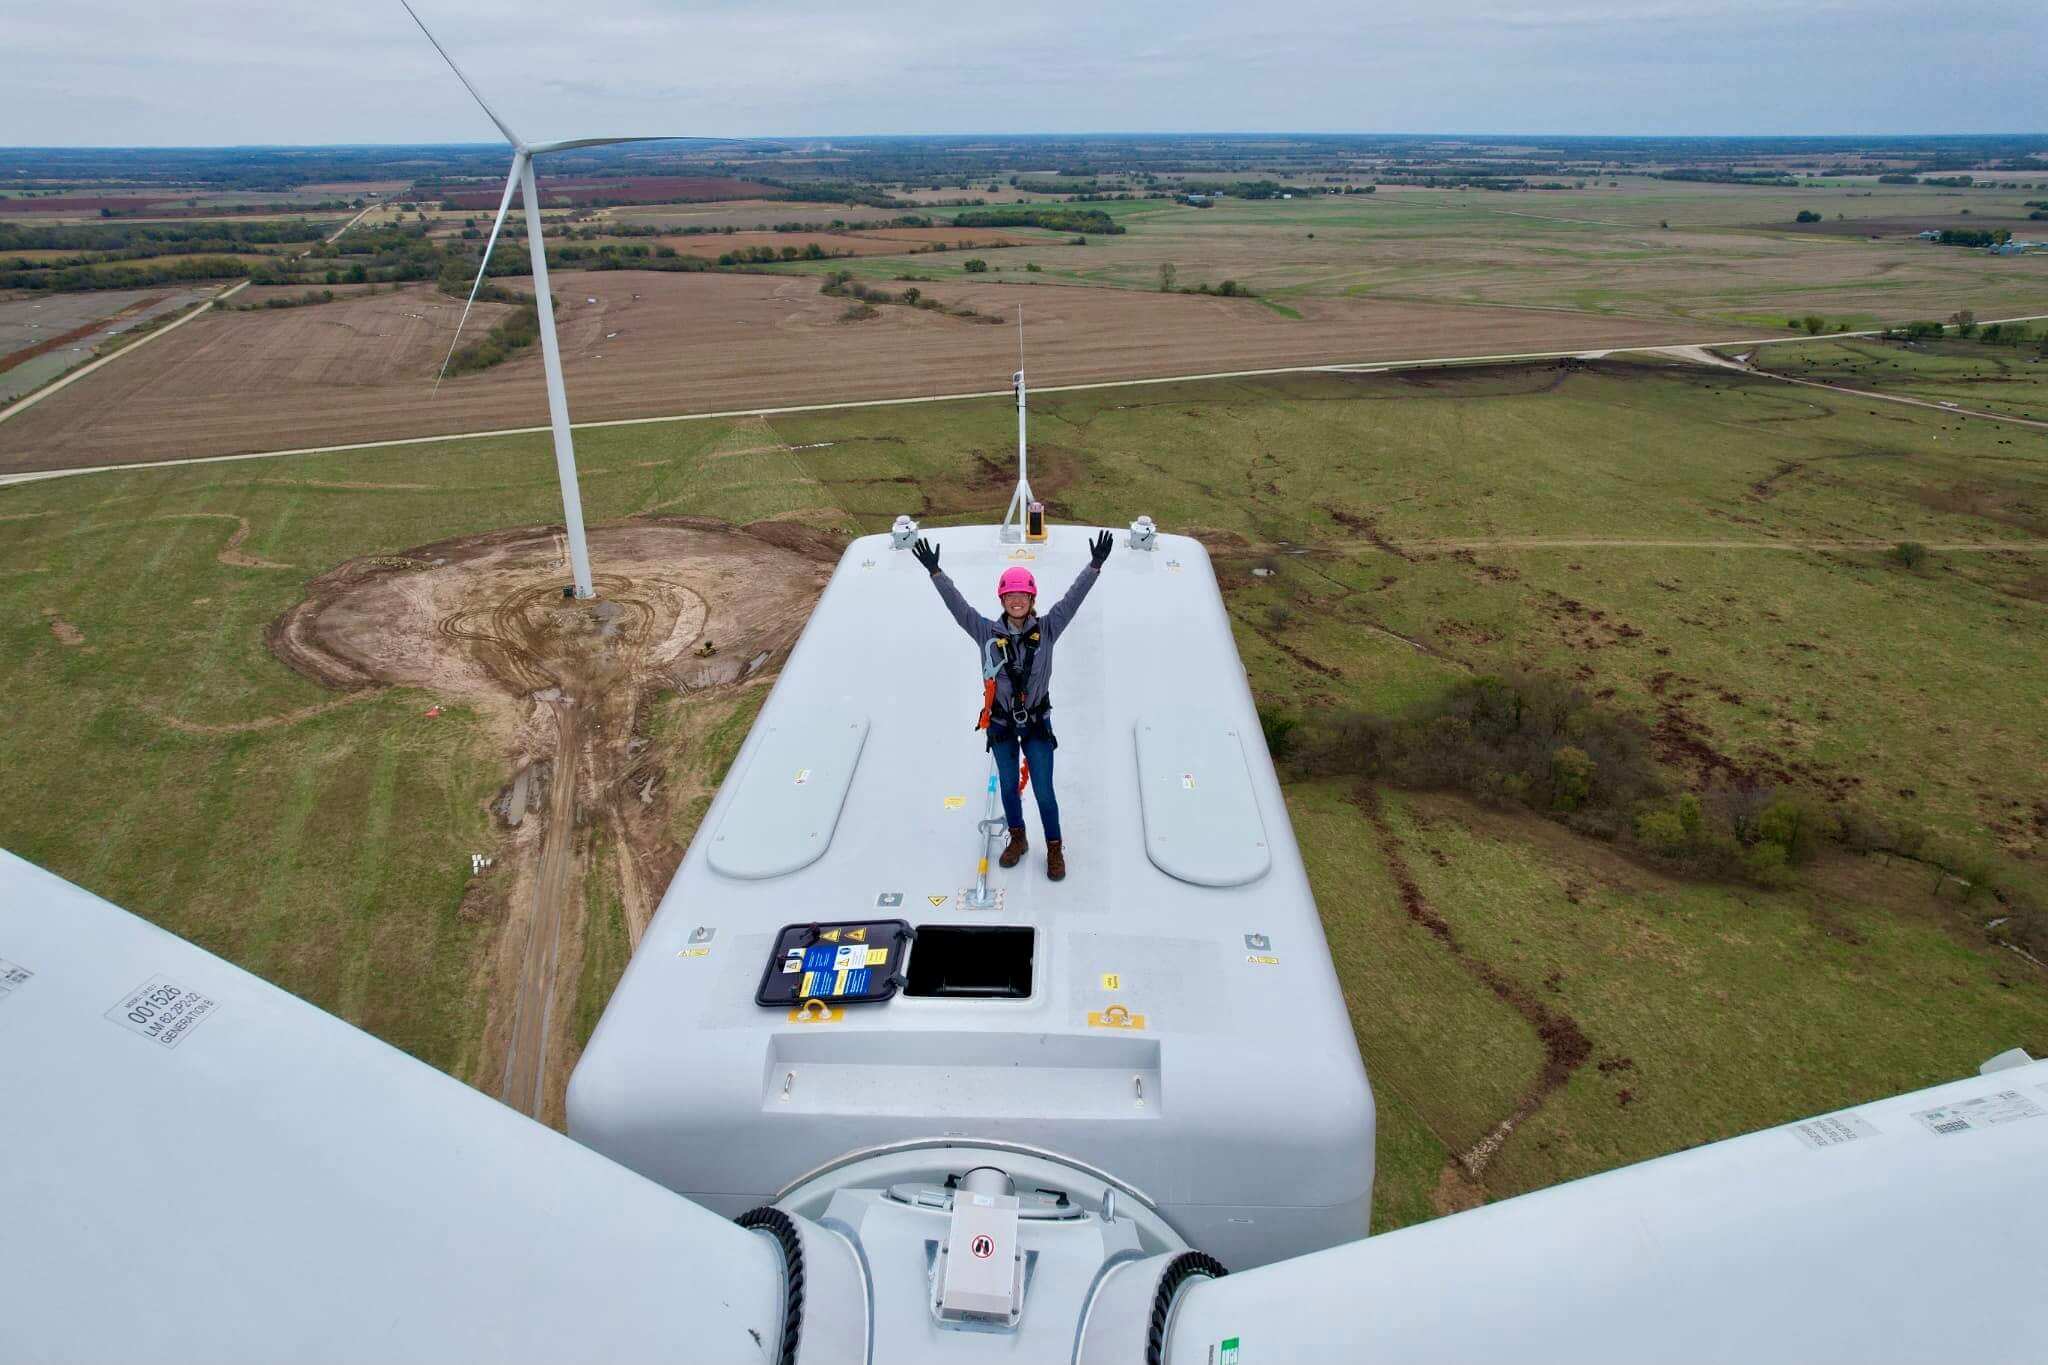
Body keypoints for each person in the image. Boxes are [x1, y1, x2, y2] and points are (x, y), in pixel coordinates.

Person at [912, 531, 1113, 881]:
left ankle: (1054, 848)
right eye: (1010, 595)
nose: (1017, 600)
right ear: (1003, 599)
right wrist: (936, 573)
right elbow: (958, 607)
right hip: (1002, 724)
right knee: (1008, 786)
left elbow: (1072, 600)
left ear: (1031, 597)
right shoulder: (985, 631)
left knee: (1044, 791)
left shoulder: (1048, 629)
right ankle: (1018, 838)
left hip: (1035, 723)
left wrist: (1094, 566)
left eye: (1022, 594)